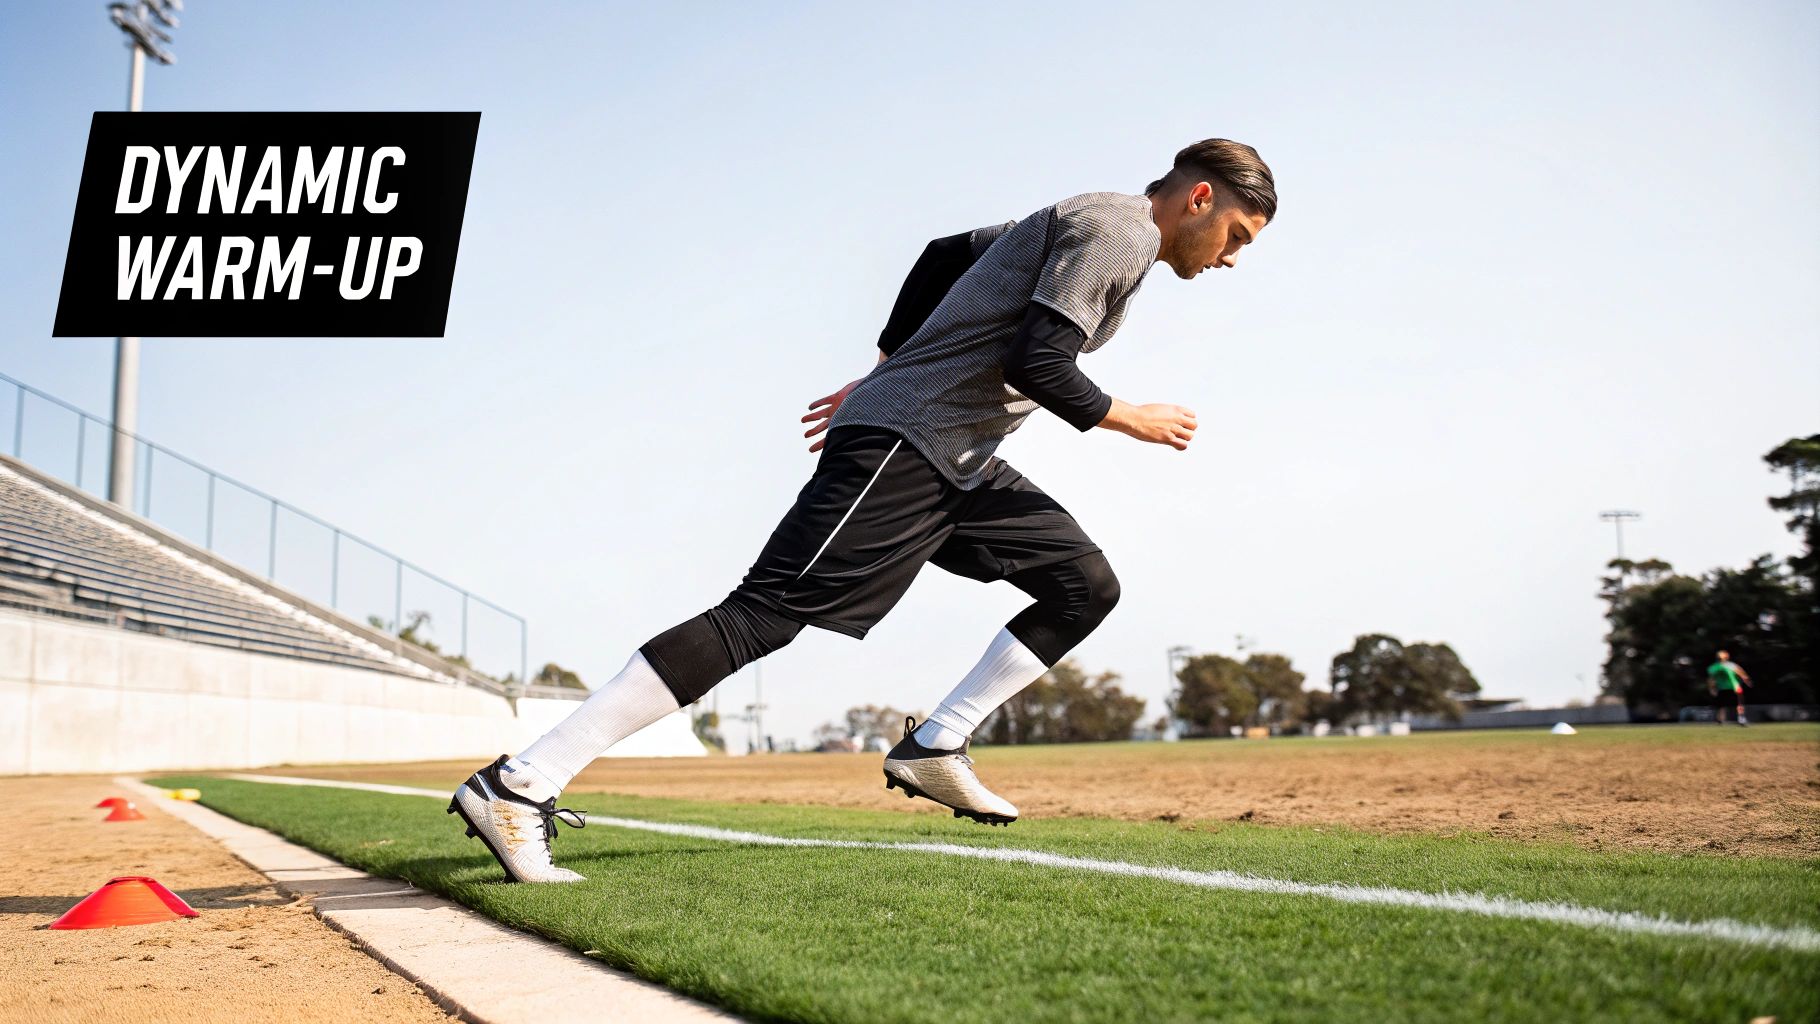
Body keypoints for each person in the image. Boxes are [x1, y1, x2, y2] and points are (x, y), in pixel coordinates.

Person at [448, 139, 1278, 882]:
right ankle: (518, 785)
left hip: (958, 458)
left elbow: (944, 254)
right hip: (908, 443)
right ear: (1200, 198)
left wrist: (888, 362)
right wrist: (1126, 416)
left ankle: (935, 745)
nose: (1231, 259)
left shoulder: (1090, 218)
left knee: (1082, 584)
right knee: (763, 615)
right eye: (1237, 236)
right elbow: (1039, 356)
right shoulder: (1123, 231)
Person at [1707, 650, 1751, 726]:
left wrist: (1712, 689)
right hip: (1725, 688)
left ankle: (1740, 718)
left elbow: (1742, 674)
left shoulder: (1728, 665)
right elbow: (1711, 680)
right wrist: (1746, 680)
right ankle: (1722, 720)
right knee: (1722, 705)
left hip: (1733, 688)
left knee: (1736, 704)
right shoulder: (1717, 667)